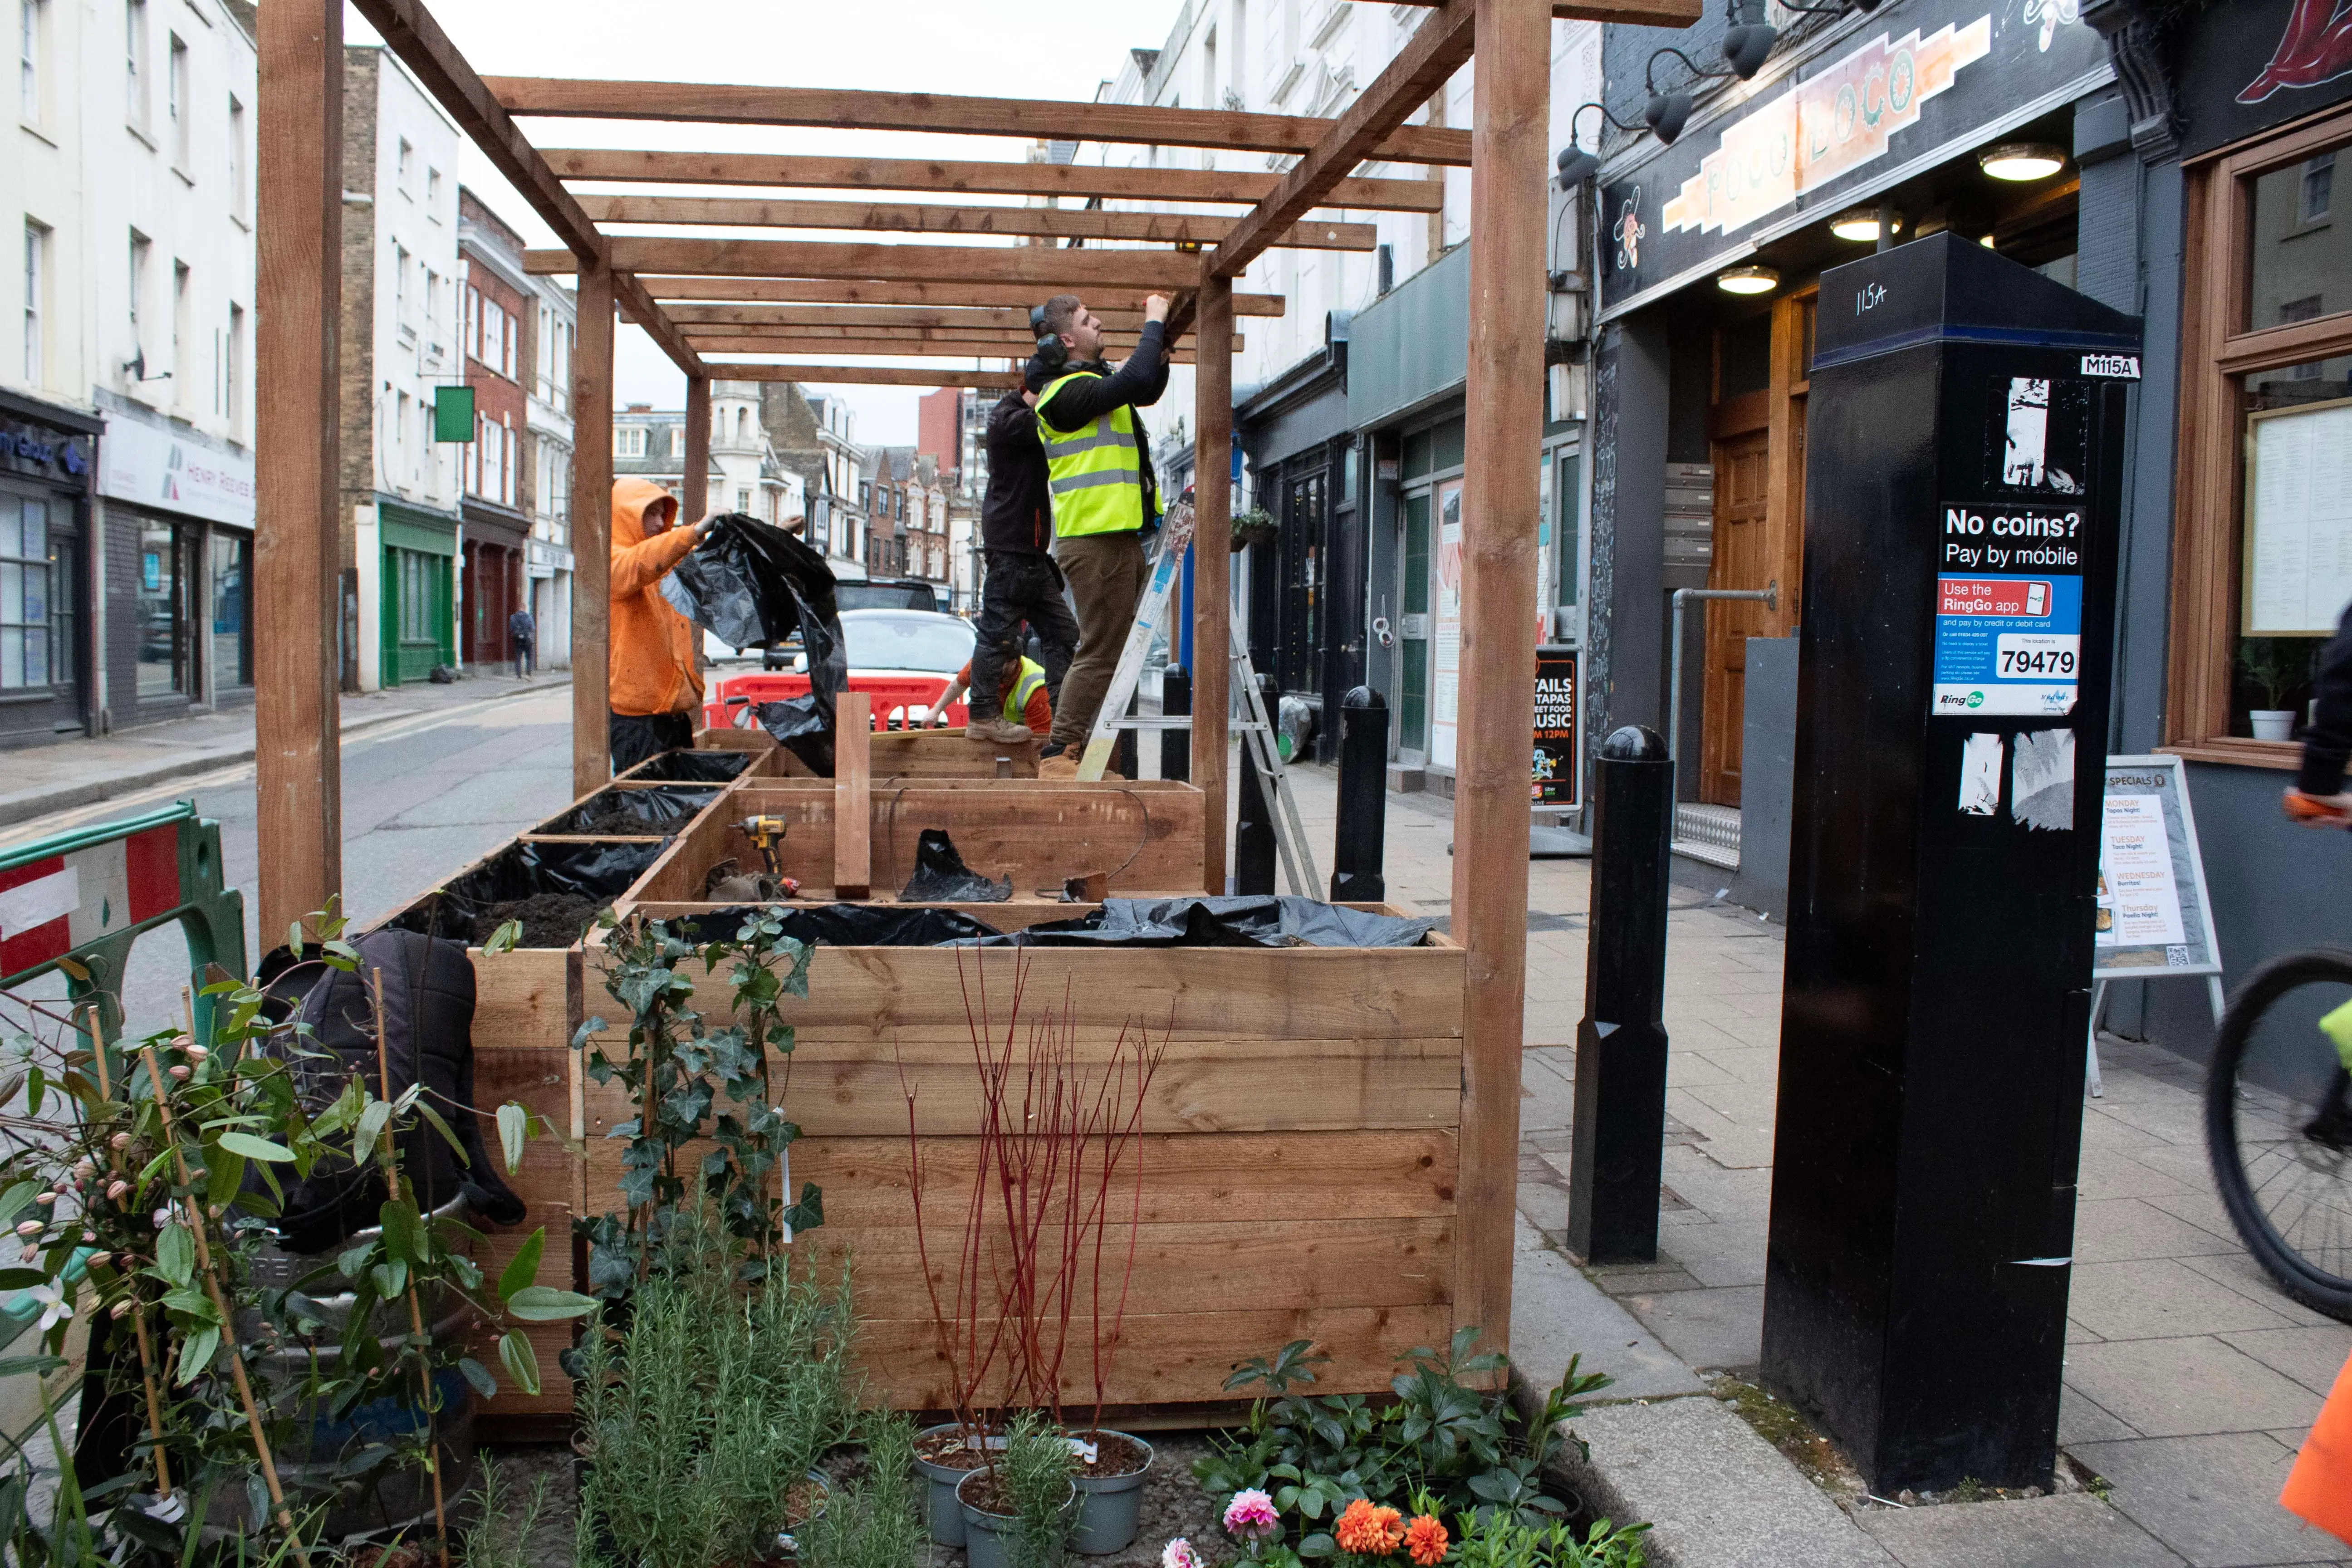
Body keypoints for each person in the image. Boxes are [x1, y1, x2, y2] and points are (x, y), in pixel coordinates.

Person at [1029, 291, 1171, 775]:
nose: (1100, 323)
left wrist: (1161, 346)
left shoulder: (1097, 384)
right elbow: (1135, 378)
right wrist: (1154, 318)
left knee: (1112, 650)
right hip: (1095, 539)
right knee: (1100, 649)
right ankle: (1061, 749)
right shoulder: (1062, 396)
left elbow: (1145, 386)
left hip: (1116, 536)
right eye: (1090, 320)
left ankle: (1078, 750)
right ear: (1068, 339)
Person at [967, 377, 1079, 745]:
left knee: (1064, 634)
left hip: (1031, 558)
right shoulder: (1009, 422)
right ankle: (983, 714)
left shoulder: (1020, 431)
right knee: (996, 637)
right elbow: (1040, 419)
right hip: (1013, 555)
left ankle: (1064, 715)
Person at [608, 477, 712, 773]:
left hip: (672, 715)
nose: (659, 522)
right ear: (627, 516)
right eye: (650, 514)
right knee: (645, 805)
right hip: (637, 720)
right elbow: (637, 565)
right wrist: (692, 532)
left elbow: (713, 571)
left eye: (662, 514)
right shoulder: (612, 561)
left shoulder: (665, 561)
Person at [927, 653, 1051, 738]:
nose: (992, 667)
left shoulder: (1036, 688)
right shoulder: (984, 664)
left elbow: (1040, 739)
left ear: (1013, 663)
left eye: (998, 663)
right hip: (995, 731)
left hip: (1022, 739)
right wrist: (937, 710)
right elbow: (958, 685)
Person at [508, 604, 536, 681]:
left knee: (518, 658)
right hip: (527, 640)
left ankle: (519, 676)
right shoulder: (529, 617)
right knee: (529, 658)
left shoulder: (513, 617)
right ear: (525, 608)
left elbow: (511, 629)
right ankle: (528, 674)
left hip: (517, 640)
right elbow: (532, 628)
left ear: (518, 609)